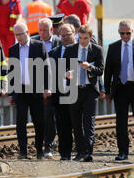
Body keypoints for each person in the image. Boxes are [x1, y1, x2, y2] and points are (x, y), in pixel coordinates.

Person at [104, 21, 134, 161]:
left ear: (132, 32)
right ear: (119, 32)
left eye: (128, 33)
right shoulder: (113, 47)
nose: (125, 36)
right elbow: (108, 71)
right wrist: (107, 91)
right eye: (122, 33)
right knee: (121, 121)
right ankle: (123, 151)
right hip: (120, 88)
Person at [8, 22, 50, 160]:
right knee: (21, 122)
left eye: (21, 34)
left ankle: (39, 151)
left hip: (36, 90)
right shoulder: (13, 49)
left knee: (39, 122)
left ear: (27, 32)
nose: (19, 37)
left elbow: (46, 68)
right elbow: (11, 72)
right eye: (16, 35)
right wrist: (11, 92)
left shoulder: (38, 46)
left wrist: (46, 88)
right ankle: (23, 152)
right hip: (20, 91)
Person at [64, 25, 104, 162]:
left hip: (90, 90)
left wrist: (90, 67)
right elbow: (63, 67)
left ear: (90, 38)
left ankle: (88, 152)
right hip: (74, 89)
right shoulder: (70, 50)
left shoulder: (97, 50)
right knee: (76, 123)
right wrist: (66, 74)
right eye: (80, 38)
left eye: (85, 38)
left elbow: (100, 70)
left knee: (89, 122)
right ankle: (80, 151)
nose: (82, 41)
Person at [31, 18, 61, 157]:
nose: (42, 33)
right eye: (40, 30)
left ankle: (49, 145)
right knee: (41, 116)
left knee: (50, 115)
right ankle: (43, 144)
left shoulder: (58, 42)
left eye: (45, 30)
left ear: (51, 30)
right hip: (38, 85)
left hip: (55, 84)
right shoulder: (33, 41)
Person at [49, 23, 75, 160]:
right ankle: (65, 154)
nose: (65, 37)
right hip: (59, 94)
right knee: (62, 125)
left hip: (76, 94)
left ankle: (83, 152)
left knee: (77, 125)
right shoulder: (53, 53)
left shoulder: (80, 50)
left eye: (68, 34)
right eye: (62, 35)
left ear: (74, 33)